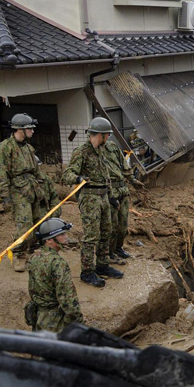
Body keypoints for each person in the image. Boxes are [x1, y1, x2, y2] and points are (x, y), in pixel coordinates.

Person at [61, 117, 123, 288]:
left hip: (103, 197)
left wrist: (111, 196)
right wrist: (79, 178)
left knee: (106, 232)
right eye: (107, 135)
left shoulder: (101, 151)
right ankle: (87, 271)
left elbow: (106, 176)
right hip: (90, 198)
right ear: (100, 135)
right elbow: (67, 175)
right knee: (91, 236)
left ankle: (102, 265)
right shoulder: (81, 152)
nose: (108, 138)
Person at [0, 113, 60, 272]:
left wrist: (43, 189)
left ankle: (34, 252)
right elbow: (0, 173)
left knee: (39, 222)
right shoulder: (4, 148)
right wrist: (5, 197)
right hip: (18, 192)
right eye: (30, 128)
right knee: (25, 226)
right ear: (20, 130)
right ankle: (20, 256)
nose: (33, 131)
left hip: (34, 190)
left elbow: (37, 172)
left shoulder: (29, 148)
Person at [25, 218, 83, 333]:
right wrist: (78, 321)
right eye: (61, 234)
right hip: (54, 321)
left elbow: (33, 288)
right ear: (49, 240)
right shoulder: (58, 264)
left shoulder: (34, 257)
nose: (66, 236)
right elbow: (67, 299)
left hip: (38, 317)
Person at [102, 138, 136, 263]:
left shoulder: (113, 146)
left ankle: (118, 248)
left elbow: (123, 163)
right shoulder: (92, 151)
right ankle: (109, 253)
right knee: (113, 226)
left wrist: (132, 179)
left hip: (122, 190)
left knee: (123, 226)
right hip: (110, 191)